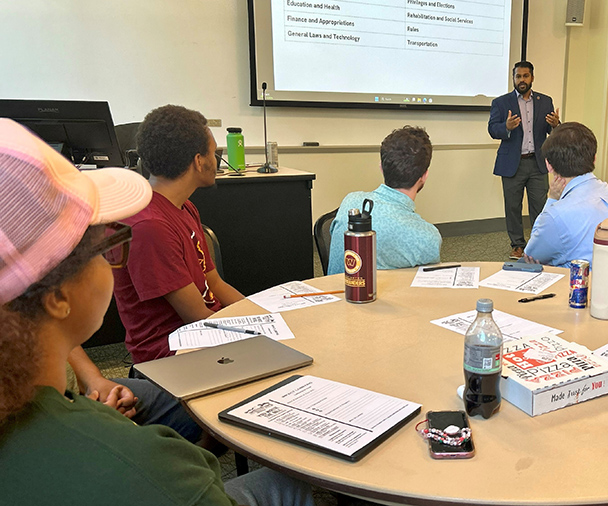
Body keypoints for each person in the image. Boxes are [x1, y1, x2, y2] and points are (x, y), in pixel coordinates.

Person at [0, 118, 315, 505]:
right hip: (174, 357)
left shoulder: (32, 389)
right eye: (102, 245)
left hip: (117, 406)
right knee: (287, 471)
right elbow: (180, 478)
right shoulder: (152, 463)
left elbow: (213, 284)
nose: (115, 256)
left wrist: (93, 382)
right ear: (56, 295)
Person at [113, 105, 244, 364]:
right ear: (198, 161)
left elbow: (214, 283)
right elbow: (196, 317)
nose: (216, 160)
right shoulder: (150, 226)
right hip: (173, 354)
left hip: (203, 333)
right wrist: (257, 333)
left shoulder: (184, 207)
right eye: (213, 153)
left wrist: (263, 315)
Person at [522, 122, 608, 282]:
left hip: (599, 295)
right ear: (594, 159)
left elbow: (530, 256)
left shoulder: (557, 215)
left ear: (548, 165)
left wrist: (551, 200)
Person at [327, 126, 441, 274]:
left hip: (334, 288)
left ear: (381, 168)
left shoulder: (351, 202)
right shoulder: (428, 237)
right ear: (425, 175)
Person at [488, 60, 560, 260]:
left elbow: (551, 130)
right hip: (513, 164)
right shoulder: (501, 103)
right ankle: (517, 245)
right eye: (518, 76)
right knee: (513, 207)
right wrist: (506, 127)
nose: (521, 80)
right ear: (513, 78)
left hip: (537, 163)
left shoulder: (545, 101)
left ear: (532, 78)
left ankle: (538, 244)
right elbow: (492, 129)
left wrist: (556, 125)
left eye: (525, 76)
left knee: (540, 206)